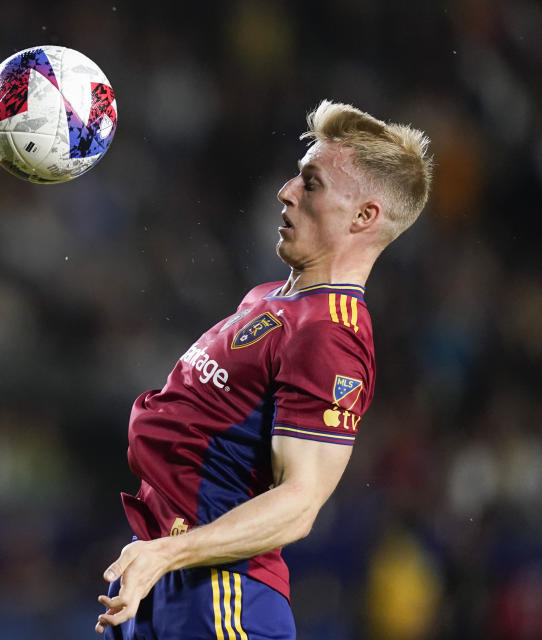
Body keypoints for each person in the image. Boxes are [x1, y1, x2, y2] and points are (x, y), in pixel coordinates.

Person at [95, 100, 434, 639]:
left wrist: (169, 553)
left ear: (364, 216)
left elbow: (299, 503)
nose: (286, 191)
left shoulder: (331, 332)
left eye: (311, 182)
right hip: (165, 578)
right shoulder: (272, 298)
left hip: (223, 598)